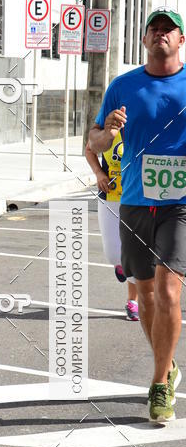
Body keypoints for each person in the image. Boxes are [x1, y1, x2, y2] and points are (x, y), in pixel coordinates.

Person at [88, 7, 186, 423]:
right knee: (144, 294)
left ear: (181, 40)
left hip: (180, 204)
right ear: (144, 39)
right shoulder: (123, 86)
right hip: (133, 201)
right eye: (154, 29)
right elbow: (93, 141)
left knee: (168, 292)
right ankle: (167, 364)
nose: (161, 34)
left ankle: (159, 384)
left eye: (169, 29)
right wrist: (108, 132)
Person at [84, 134, 139, 320]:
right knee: (113, 254)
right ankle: (121, 264)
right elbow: (89, 149)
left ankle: (133, 301)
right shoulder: (108, 127)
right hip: (110, 197)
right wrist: (99, 173)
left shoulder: (145, 125)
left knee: (134, 254)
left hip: (137, 199)